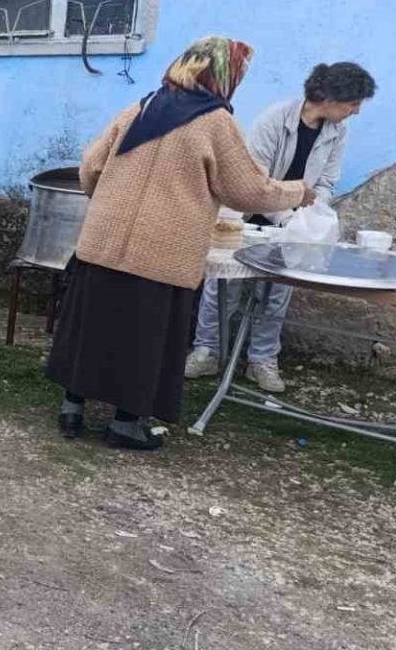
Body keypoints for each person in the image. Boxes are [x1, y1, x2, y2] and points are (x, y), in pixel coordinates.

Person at [46, 36, 316, 450]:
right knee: (143, 338)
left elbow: (91, 165)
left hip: (103, 242)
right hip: (161, 252)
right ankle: (124, 425)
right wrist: (298, 192)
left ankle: (72, 410)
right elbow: (247, 190)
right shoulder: (215, 122)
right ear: (223, 76)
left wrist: (106, 204)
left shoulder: (142, 107)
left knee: (92, 326)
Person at [185, 61, 376, 392]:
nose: (356, 111)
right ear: (331, 98)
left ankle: (261, 360)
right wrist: (287, 216)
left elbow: (325, 182)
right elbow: (253, 181)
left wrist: (309, 219)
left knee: (277, 291)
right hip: (246, 214)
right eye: (354, 103)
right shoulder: (275, 119)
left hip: (293, 218)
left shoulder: (337, 132)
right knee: (224, 286)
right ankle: (207, 351)